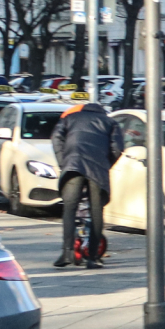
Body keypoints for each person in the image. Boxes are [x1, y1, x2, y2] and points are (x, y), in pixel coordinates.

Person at [51, 99, 123, 269]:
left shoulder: (70, 118)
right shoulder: (110, 122)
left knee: (69, 208)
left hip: (73, 165)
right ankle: (93, 257)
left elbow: (56, 138)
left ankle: (67, 253)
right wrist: (105, 164)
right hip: (98, 168)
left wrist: (64, 161)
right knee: (97, 211)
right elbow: (118, 149)